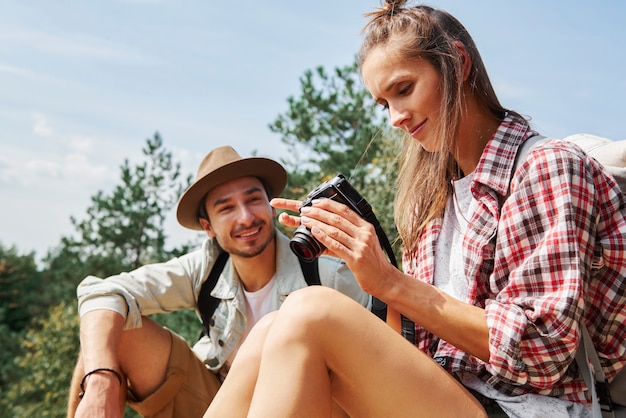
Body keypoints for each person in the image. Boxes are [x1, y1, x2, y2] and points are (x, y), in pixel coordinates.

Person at [203, 2, 626, 417]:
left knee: (309, 311)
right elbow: (410, 353)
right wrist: (370, 271)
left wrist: (392, 282)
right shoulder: (431, 203)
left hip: (530, 407)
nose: (395, 118)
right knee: (268, 332)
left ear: (457, 64)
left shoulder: (546, 167)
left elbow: (541, 353)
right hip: (447, 398)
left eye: (404, 90)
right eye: (383, 103)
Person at [66, 145, 370, 418]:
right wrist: (99, 382)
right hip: (221, 403)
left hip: (306, 407)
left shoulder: (325, 274)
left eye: (254, 200)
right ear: (207, 226)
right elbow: (101, 292)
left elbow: (380, 365)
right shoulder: (205, 268)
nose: (246, 218)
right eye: (226, 208)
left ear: (270, 206)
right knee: (107, 331)